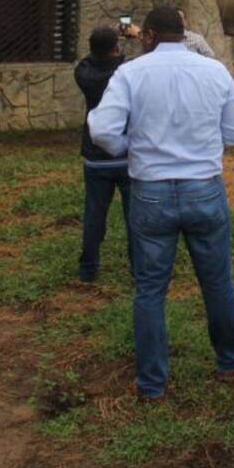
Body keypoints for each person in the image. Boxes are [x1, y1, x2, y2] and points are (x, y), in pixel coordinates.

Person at [88, 5, 234, 400]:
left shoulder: (130, 73)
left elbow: (102, 130)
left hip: (150, 190)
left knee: (149, 288)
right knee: (217, 281)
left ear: (147, 35)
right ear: (183, 32)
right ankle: (232, 363)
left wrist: (131, 148)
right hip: (204, 186)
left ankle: (151, 383)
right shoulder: (214, 71)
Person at [75, 23, 139, 282]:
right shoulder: (126, 73)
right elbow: (135, 63)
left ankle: (88, 268)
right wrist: (130, 37)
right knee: (134, 217)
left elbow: (88, 59)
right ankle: (138, 268)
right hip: (126, 154)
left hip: (95, 155)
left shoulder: (83, 73)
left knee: (94, 215)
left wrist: (106, 41)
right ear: (116, 47)